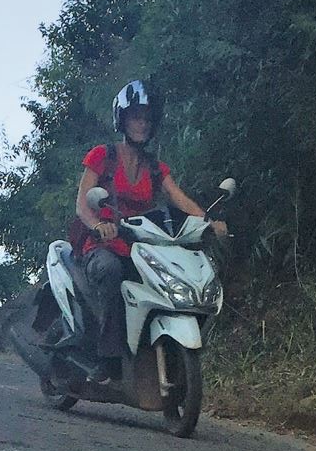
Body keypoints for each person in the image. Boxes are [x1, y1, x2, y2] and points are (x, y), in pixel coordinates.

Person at [71, 80, 227, 384]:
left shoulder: (156, 167)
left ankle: (151, 351)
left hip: (141, 246)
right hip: (102, 244)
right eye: (135, 117)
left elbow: (179, 198)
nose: (141, 124)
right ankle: (108, 358)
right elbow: (82, 203)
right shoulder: (103, 156)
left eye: (146, 118)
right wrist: (98, 226)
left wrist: (208, 222)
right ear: (123, 119)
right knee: (111, 271)